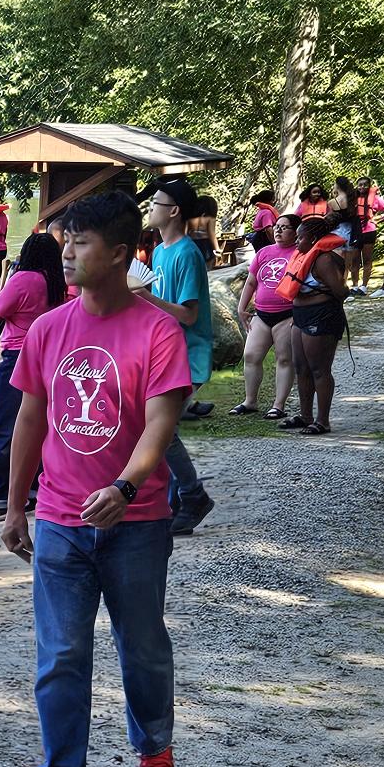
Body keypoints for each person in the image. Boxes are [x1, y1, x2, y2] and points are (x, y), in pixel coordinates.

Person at [0, 191, 191, 767]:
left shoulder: (156, 329)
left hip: (135, 523)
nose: (69, 252)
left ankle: (154, 744)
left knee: (141, 645)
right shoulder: (50, 328)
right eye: (65, 240)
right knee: (60, 654)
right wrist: (15, 505)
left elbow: (160, 425)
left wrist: (127, 488)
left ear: (118, 253)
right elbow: (30, 418)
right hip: (59, 519)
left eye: (81, 241)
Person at [137, 176, 215, 535]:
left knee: (162, 432)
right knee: (159, 428)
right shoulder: (159, 250)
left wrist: (143, 296)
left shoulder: (187, 253)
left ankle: (191, 494)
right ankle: (174, 502)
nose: (150, 208)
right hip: (164, 353)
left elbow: (188, 314)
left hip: (188, 355)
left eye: (155, 203)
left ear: (174, 211)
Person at [0, 233, 66, 519]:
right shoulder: (55, 280)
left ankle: (0, 497)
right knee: (40, 424)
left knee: (3, 426)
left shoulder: (23, 278)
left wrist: (2, 290)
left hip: (17, 355)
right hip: (48, 356)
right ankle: (31, 490)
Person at [280, 215, 350, 432]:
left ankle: (322, 421)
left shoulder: (324, 259)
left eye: (300, 238)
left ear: (313, 239)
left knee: (319, 369)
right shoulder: (303, 256)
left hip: (321, 316)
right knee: (301, 368)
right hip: (300, 316)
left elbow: (340, 291)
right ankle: (305, 415)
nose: (297, 242)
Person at [232, 215, 299, 419]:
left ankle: (278, 405)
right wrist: (241, 307)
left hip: (287, 315)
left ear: (296, 232)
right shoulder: (263, 253)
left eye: (285, 228)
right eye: (277, 227)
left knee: (284, 358)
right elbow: (251, 282)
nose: (278, 231)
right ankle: (250, 401)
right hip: (261, 314)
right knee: (251, 355)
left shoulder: (299, 254)